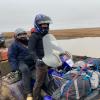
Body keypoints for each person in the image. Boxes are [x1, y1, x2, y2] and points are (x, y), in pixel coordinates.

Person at [28, 14, 52, 100]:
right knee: (39, 83)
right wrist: (36, 59)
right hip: (40, 63)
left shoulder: (45, 36)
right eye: (43, 25)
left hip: (47, 61)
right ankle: (36, 97)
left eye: (46, 25)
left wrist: (61, 51)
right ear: (38, 25)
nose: (45, 27)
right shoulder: (33, 36)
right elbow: (31, 50)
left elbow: (51, 45)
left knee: (48, 79)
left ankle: (50, 94)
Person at [8, 28, 34, 100]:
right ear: (16, 36)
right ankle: (28, 93)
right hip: (21, 62)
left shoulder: (30, 42)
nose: (22, 36)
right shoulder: (14, 45)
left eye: (24, 34)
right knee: (25, 70)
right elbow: (12, 57)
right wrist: (15, 68)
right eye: (20, 34)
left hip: (32, 61)